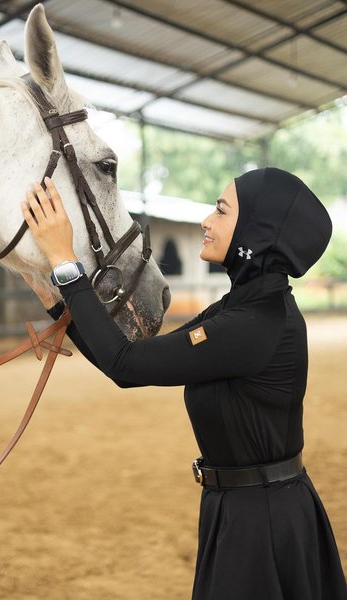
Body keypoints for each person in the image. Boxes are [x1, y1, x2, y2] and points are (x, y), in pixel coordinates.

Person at [20, 168, 347, 599]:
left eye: (221, 210)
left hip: (262, 524)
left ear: (257, 230)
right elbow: (130, 363)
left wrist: (67, 264)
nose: (206, 222)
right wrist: (56, 297)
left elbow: (125, 363)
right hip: (243, 509)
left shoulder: (252, 325)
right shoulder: (242, 310)